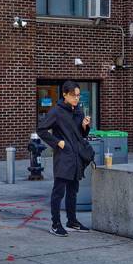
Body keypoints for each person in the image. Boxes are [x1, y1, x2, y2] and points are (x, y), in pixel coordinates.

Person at [35, 81, 93, 236]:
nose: (76, 98)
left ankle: (72, 221)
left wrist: (85, 126)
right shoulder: (56, 111)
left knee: (73, 190)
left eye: (78, 95)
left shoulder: (78, 110)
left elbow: (81, 135)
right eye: (73, 95)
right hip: (64, 156)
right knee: (59, 191)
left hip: (76, 157)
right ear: (65, 95)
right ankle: (55, 224)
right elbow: (41, 130)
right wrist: (58, 142)